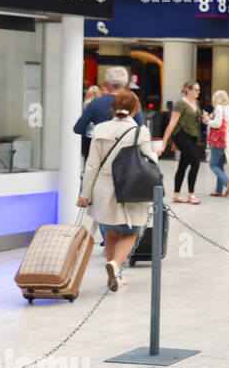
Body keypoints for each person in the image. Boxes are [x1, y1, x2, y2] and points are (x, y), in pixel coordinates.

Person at [77, 91, 155, 292]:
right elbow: (151, 160)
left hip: (104, 187)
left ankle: (115, 276)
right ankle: (116, 265)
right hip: (130, 187)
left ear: (113, 108)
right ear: (135, 109)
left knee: (111, 230)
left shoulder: (100, 129)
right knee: (131, 231)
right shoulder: (140, 131)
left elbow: (91, 165)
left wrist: (84, 194)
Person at [159, 80, 210, 204]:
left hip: (193, 136)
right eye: (196, 90)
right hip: (181, 135)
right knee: (196, 162)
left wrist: (205, 117)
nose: (198, 92)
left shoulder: (197, 103)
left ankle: (176, 195)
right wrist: (164, 142)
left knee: (183, 165)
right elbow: (172, 123)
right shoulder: (180, 104)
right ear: (188, 90)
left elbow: (199, 119)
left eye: (199, 90)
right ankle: (191, 194)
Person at [73, 67, 144, 148]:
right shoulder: (132, 102)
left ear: (106, 83)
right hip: (125, 152)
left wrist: (95, 135)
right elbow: (140, 128)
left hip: (101, 150)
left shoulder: (96, 103)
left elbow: (78, 128)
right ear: (126, 83)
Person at [206, 89, 229, 197]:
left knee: (213, 164)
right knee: (220, 164)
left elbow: (218, 123)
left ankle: (227, 181)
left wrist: (208, 121)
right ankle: (218, 190)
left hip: (220, 138)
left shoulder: (219, 108)